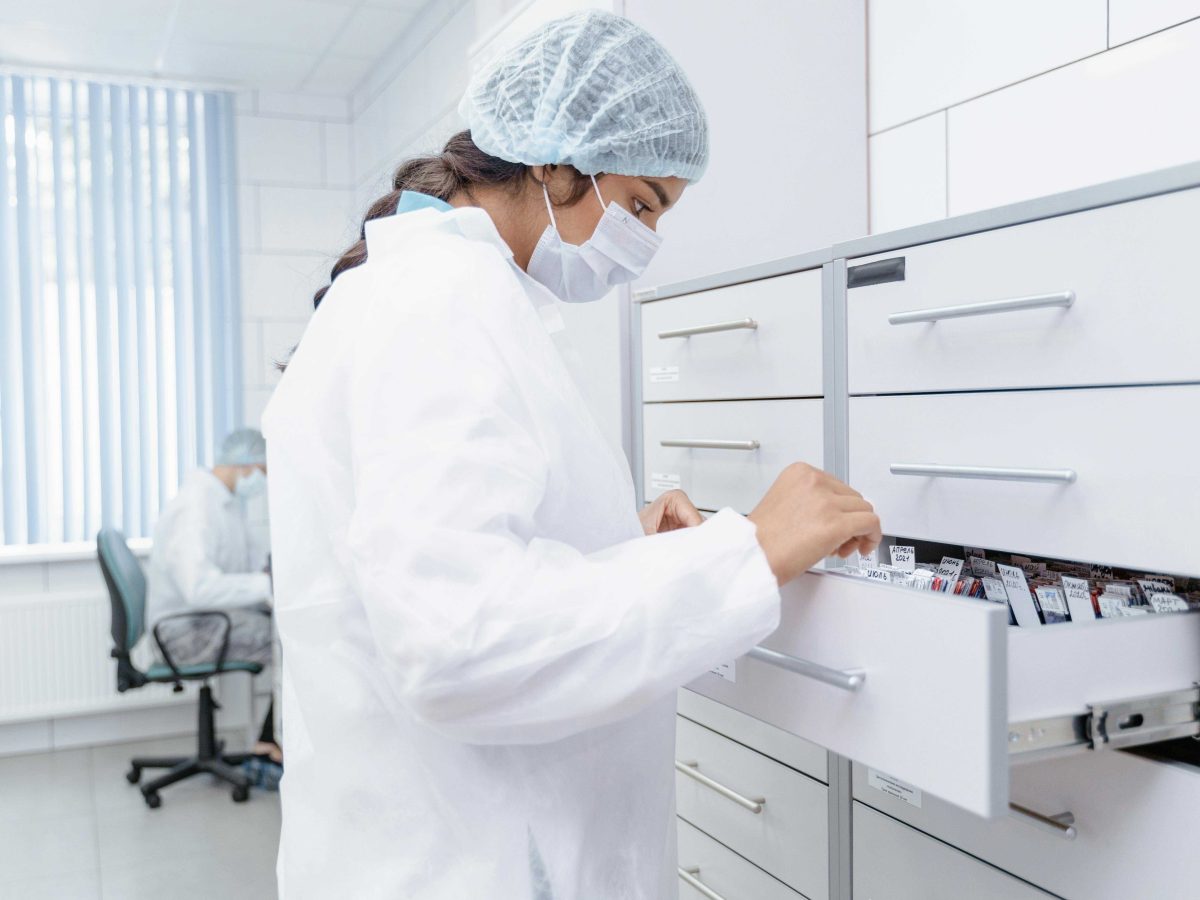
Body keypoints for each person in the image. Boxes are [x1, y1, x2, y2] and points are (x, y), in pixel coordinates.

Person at [263, 10, 880, 899]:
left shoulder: (433, 295)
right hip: (471, 864)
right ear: (555, 162)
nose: (647, 241)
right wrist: (741, 552)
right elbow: (461, 645)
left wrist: (611, 542)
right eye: (639, 205)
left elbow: (433, 560)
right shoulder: (439, 305)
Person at [139, 428, 280, 763]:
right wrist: (266, 588)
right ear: (246, 465)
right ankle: (271, 743)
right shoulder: (196, 508)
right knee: (289, 640)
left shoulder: (226, 504)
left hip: (200, 622)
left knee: (283, 630)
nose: (262, 482)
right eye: (263, 472)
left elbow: (252, 559)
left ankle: (270, 739)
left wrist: (268, 577)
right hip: (183, 633)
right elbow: (198, 588)